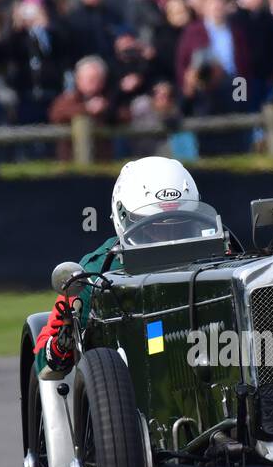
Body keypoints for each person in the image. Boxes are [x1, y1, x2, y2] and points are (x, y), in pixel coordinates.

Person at [35, 158, 202, 374]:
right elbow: (42, 358)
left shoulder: (221, 256)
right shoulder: (96, 272)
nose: (166, 237)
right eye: (152, 227)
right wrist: (61, 345)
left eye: (179, 225)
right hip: (131, 385)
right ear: (124, 218)